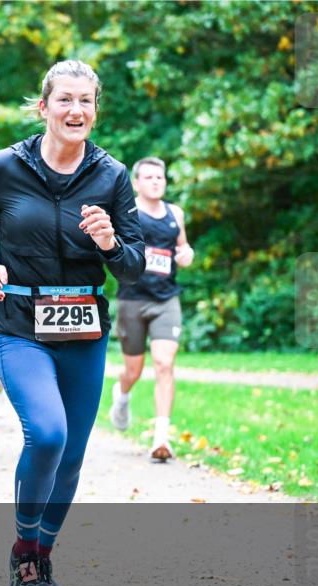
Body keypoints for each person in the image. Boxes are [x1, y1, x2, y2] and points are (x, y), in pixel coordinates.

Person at [0, 60, 144, 586]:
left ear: (95, 109)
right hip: (18, 324)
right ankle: (23, 551)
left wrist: (111, 243)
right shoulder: (2, 167)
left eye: (86, 101)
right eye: (64, 100)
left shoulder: (112, 177)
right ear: (44, 107)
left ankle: (42, 555)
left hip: (84, 327)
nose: (76, 110)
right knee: (47, 433)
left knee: (73, 455)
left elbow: (132, 266)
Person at [109, 157, 195, 462]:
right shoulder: (127, 211)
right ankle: (121, 395)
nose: (156, 181)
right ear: (136, 183)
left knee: (164, 363)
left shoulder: (176, 214)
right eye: (148, 177)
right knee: (133, 370)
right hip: (132, 299)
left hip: (165, 299)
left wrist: (187, 254)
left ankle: (162, 439)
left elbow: (182, 248)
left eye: (160, 177)